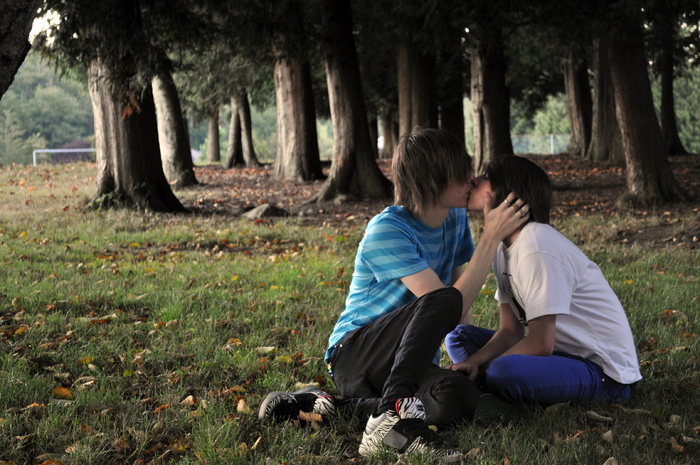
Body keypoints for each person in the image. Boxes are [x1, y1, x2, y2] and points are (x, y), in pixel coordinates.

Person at [259, 128, 530, 461]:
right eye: (461, 173)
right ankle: (387, 418)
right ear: (431, 179)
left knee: (459, 395)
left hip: (407, 365)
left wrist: (464, 364)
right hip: (357, 356)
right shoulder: (387, 229)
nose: (472, 180)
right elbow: (445, 302)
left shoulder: (455, 218)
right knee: (442, 297)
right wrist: (490, 238)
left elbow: (459, 312)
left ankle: (338, 409)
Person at [444, 155, 642, 406]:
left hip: (605, 373)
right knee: (460, 338)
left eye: (485, 178)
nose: (475, 180)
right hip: (561, 356)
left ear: (510, 197)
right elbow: (510, 331)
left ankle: (495, 391)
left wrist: (484, 369)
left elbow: (540, 343)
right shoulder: (502, 247)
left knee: (502, 370)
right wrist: (474, 362)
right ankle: (498, 385)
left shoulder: (536, 245)